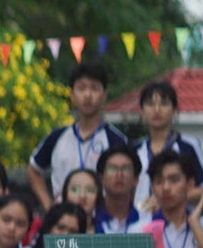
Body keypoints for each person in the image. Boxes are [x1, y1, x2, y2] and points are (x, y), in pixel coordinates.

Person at [29, 62, 129, 209]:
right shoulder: (57, 137)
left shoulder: (117, 140)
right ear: (72, 95)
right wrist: (48, 205)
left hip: (101, 221)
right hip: (63, 222)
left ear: (104, 95)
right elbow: (33, 170)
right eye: (81, 88)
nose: (88, 95)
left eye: (94, 88)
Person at [131, 81, 203, 207]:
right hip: (140, 222)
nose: (157, 110)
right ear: (141, 111)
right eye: (150, 104)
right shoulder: (133, 149)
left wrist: (166, 200)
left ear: (174, 110)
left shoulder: (189, 145)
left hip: (179, 222)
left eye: (163, 104)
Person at [92, 146, 151, 236]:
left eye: (126, 169)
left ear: (136, 179)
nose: (119, 175)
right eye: (112, 169)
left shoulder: (147, 222)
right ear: (101, 178)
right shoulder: (90, 219)